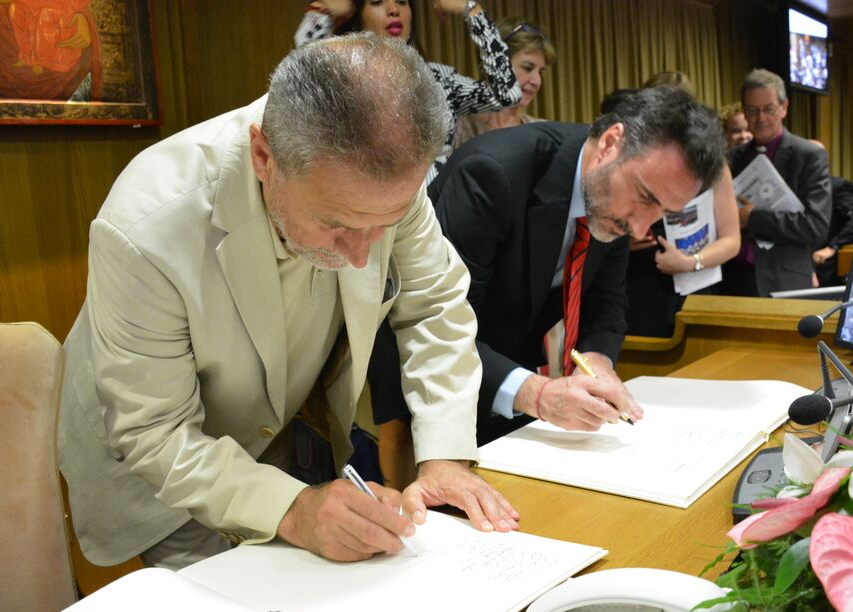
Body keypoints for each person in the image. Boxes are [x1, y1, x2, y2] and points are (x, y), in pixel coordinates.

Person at [57, 34, 518, 572]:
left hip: (274, 433)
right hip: (160, 468)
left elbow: (434, 303)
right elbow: (156, 433)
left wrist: (445, 457)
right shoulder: (147, 226)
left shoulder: (381, 182)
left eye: (384, 226)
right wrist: (296, 511)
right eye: (336, 224)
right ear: (263, 156)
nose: (360, 254)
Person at [429, 86, 725, 444]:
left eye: (663, 213)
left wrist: (597, 359)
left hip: (508, 381)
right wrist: (535, 394)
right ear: (610, 143)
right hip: (433, 390)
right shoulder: (493, 173)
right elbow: (440, 325)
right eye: (645, 197)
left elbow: (607, 301)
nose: (641, 228)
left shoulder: (613, 204)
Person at [296, 0, 521, 185]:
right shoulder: (343, 81)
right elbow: (303, 76)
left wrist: (473, 11)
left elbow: (507, 93)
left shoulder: (439, 79)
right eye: (376, 2)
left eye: (403, 2)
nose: (394, 9)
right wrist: (322, 12)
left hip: (439, 218)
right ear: (359, 19)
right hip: (374, 215)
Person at [608, 82, 739, 338]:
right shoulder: (638, 157)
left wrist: (691, 262)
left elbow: (731, 239)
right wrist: (623, 240)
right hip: (638, 283)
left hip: (696, 285)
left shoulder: (715, 167)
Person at [725, 68, 831, 296]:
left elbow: (816, 226)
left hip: (785, 280)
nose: (760, 118)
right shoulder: (731, 159)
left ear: (784, 108)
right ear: (744, 111)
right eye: (752, 111)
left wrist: (752, 218)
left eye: (768, 109)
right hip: (733, 280)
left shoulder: (808, 155)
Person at [453, 18, 556, 148]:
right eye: (527, 68)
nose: (537, 81)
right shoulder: (455, 129)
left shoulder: (544, 135)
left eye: (540, 72)